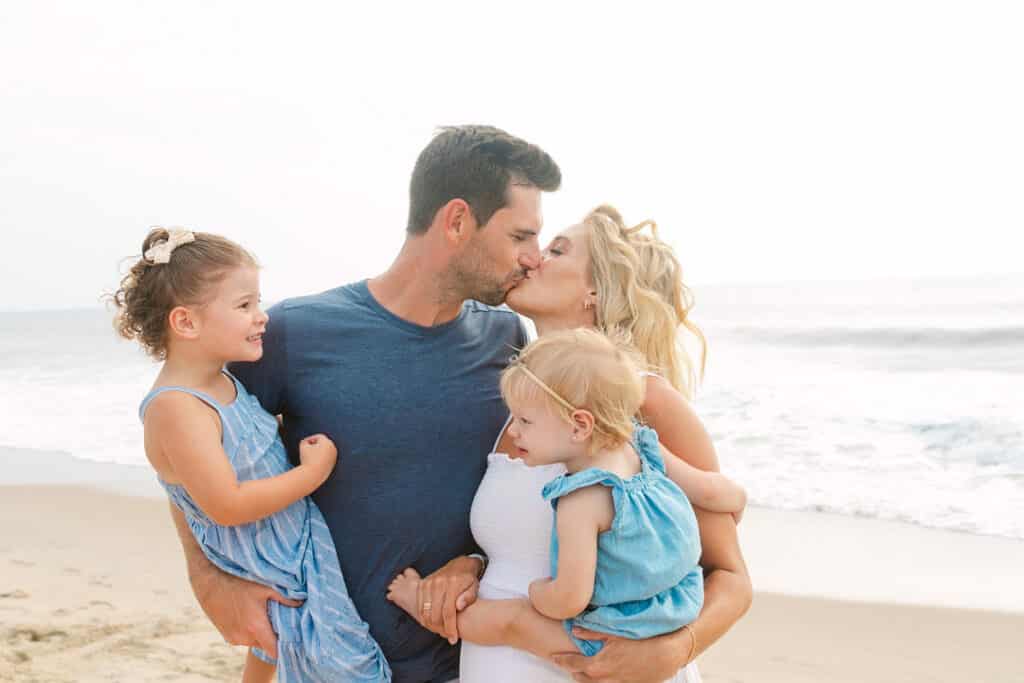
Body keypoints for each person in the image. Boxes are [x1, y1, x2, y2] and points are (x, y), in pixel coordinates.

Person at [438, 205, 753, 683]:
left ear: (596, 291)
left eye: (556, 250)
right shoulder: (522, 408)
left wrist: (674, 652)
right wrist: (469, 567)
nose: (531, 258)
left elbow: (731, 578)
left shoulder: (644, 401)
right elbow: (521, 545)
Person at [113, 228, 390, 682]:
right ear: (186, 322)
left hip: (288, 553)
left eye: (258, 302)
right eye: (244, 306)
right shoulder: (176, 407)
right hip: (275, 565)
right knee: (342, 665)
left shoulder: (221, 382)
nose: (262, 317)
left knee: (275, 654)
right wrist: (312, 473)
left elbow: (246, 449)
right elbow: (227, 504)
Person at [387, 328, 705, 668]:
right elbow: (715, 491)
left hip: (610, 638)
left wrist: (537, 592)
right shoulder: (640, 448)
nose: (512, 430)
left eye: (524, 420)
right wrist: (737, 499)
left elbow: (569, 599)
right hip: (671, 609)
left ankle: (415, 600)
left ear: (580, 426)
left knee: (510, 620)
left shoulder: (580, 499)